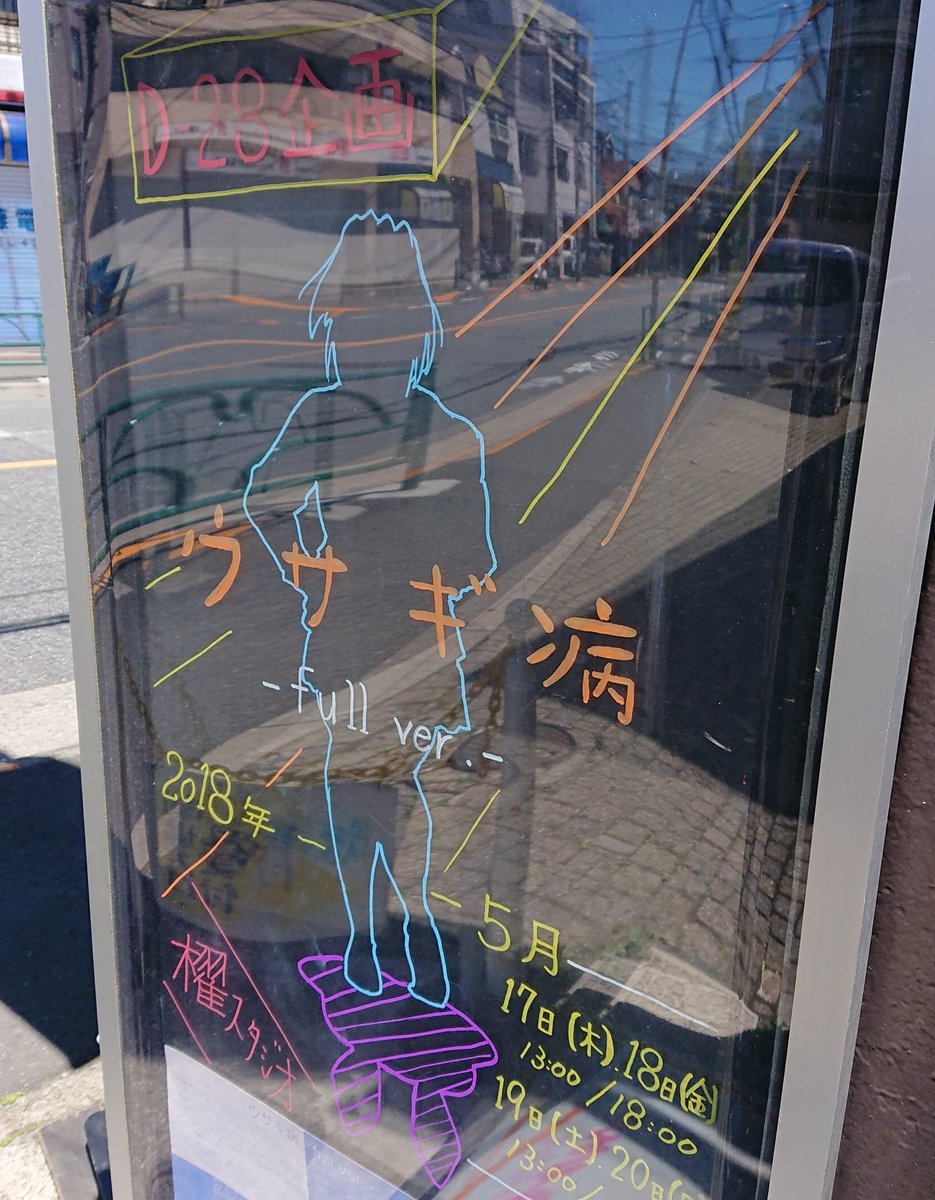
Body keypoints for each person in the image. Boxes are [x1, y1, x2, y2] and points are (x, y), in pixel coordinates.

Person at [243, 210, 496, 1009]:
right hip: (421, 658)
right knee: (394, 795)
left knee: (351, 794)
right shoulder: (450, 427)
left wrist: (307, 575)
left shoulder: (318, 417)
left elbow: (258, 502)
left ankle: (361, 943)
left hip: (345, 657)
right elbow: (481, 561)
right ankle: (388, 947)